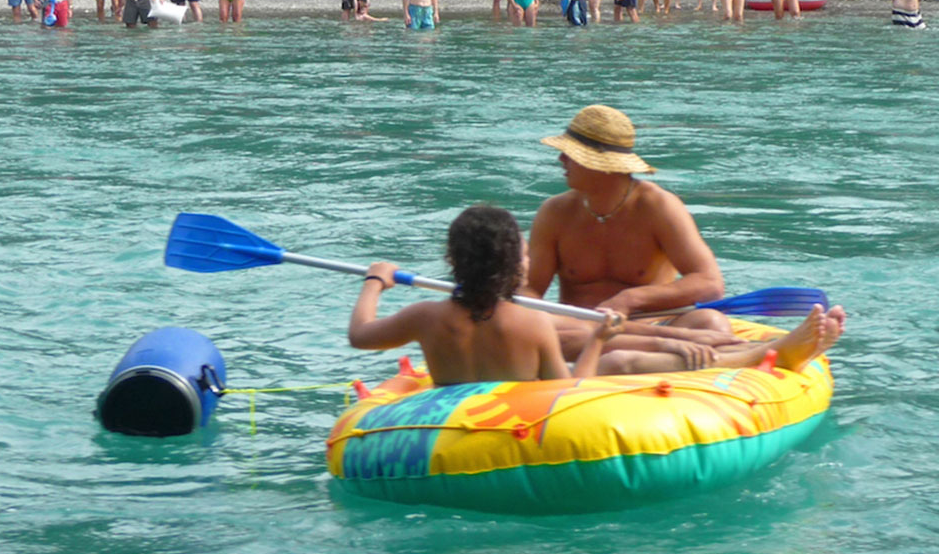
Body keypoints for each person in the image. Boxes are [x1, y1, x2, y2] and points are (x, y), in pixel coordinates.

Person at [527, 105, 845, 374]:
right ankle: (751, 357)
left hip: (654, 325)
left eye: (570, 154)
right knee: (556, 333)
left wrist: (631, 299)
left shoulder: (658, 207)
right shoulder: (554, 213)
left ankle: (733, 358)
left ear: (603, 165)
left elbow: (709, 283)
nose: (561, 161)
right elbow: (529, 291)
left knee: (711, 322)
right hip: (585, 331)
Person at [349, 204, 621, 385]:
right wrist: (597, 340)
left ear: (453, 259)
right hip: (514, 444)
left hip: (450, 438)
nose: (528, 261)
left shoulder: (425, 317)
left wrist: (374, 281)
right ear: (511, 263)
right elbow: (567, 396)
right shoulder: (533, 323)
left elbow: (359, 335)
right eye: (524, 255)